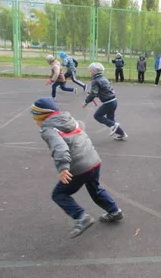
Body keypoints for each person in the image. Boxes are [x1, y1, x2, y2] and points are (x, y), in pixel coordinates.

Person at [31, 97, 123, 238]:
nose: (34, 121)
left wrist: (63, 167)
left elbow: (60, 147)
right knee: (95, 188)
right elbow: (81, 125)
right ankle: (114, 211)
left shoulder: (48, 129)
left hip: (80, 167)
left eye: (34, 117)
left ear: (41, 117)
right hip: (94, 160)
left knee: (59, 194)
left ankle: (81, 216)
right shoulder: (70, 120)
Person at [83, 62, 128, 141]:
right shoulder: (104, 78)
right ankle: (122, 133)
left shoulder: (95, 80)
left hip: (108, 102)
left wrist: (86, 102)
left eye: (90, 70)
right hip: (114, 101)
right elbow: (104, 91)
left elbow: (93, 93)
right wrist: (96, 94)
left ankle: (114, 126)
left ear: (93, 72)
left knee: (97, 116)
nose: (89, 72)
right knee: (110, 119)